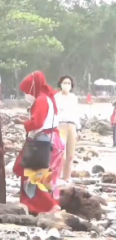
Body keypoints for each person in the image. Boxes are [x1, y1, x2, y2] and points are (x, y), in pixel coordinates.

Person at [13, 71, 65, 214]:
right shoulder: (48, 98)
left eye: (26, 91)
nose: (26, 95)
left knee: (33, 175)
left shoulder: (41, 100)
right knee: (46, 176)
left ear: (32, 89)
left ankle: (47, 206)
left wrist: (22, 122)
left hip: (43, 142)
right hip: (53, 140)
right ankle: (49, 204)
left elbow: (37, 123)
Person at [54, 76, 81, 181]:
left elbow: (76, 114)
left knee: (70, 156)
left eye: (69, 83)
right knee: (61, 156)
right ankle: (56, 178)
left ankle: (66, 179)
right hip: (60, 126)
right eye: (64, 83)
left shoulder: (74, 98)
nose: (66, 85)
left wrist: (79, 129)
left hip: (72, 126)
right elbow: (54, 114)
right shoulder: (56, 97)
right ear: (60, 84)